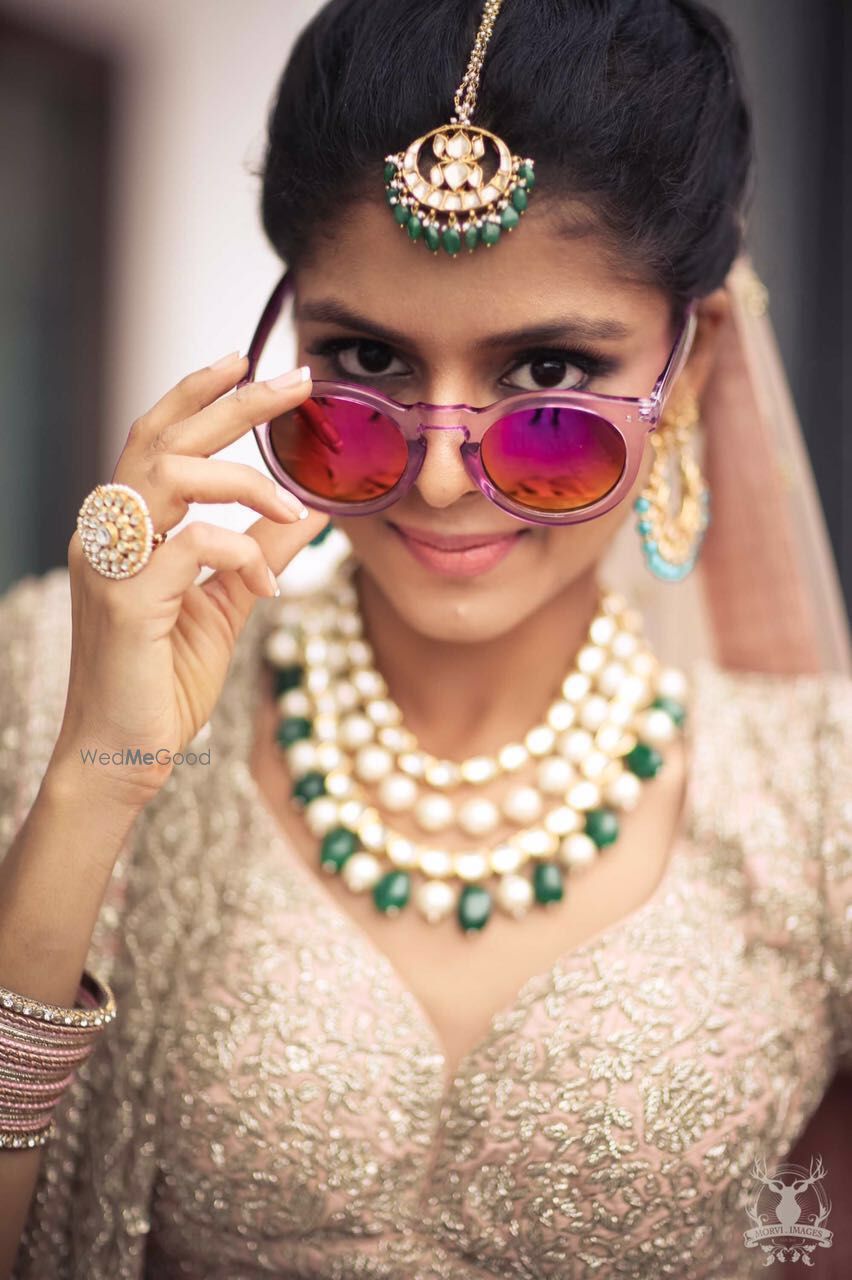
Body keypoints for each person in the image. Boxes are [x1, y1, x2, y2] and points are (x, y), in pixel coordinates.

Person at [1, 0, 850, 1276]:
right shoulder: (46, 683)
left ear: (696, 360)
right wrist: (96, 778)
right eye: (368, 358)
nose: (443, 480)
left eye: (549, 376)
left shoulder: (821, 800)